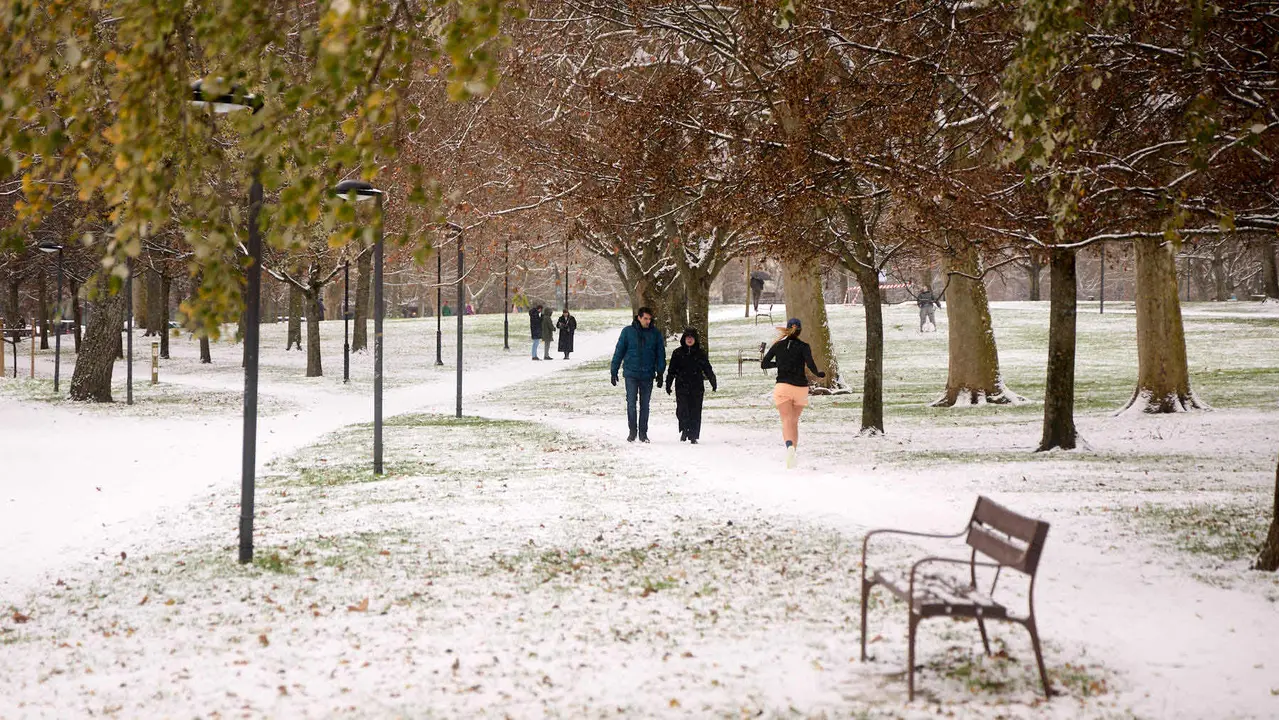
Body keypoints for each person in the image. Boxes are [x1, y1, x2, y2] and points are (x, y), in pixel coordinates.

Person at [761, 318, 825, 469]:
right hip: (801, 389)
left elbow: (764, 364)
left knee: (786, 421)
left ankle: (789, 446)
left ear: (787, 329)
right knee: (794, 422)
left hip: (783, 387)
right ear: (800, 331)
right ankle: (793, 453)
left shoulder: (778, 345)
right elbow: (811, 365)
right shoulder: (804, 346)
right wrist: (819, 374)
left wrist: (779, 363)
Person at [609, 306, 666, 443]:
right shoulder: (628, 332)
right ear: (639, 317)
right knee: (631, 404)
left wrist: (660, 372)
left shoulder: (655, 334)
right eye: (645, 318)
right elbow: (619, 351)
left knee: (645, 405)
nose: (647, 321)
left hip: (647, 374)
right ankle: (632, 431)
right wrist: (614, 370)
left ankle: (643, 433)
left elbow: (660, 354)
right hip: (631, 373)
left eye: (649, 319)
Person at [665, 327, 717, 444]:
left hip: (696, 386)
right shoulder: (677, 353)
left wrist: (712, 381)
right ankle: (684, 429)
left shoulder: (700, 353)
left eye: (691, 337)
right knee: (682, 410)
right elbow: (672, 370)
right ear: (684, 339)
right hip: (682, 385)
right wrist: (668, 384)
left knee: (695, 410)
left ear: (695, 339)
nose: (689, 340)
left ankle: (693, 435)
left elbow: (707, 368)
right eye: (687, 337)